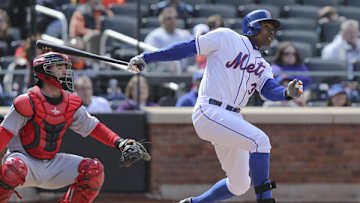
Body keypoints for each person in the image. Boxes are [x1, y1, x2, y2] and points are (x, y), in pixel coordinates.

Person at [128, 9, 303, 203]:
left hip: (231, 119)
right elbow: (187, 48)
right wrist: (147, 58)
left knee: (239, 185)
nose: (271, 32)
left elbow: (269, 90)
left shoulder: (263, 65)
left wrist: (287, 93)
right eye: (266, 26)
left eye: (273, 29)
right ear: (252, 27)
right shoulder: (226, 37)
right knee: (260, 141)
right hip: (210, 111)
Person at [0, 52, 144, 203]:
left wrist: (119, 142)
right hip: (24, 162)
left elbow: (93, 127)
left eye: (65, 67)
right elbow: (4, 133)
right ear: (44, 70)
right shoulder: (26, 101)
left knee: (93, 170)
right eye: (59, 67)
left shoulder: (70, 102)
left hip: (52, 163)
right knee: (13, 169)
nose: (64, 71)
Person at [144, 7, 193, 73]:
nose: (173, 21)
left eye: (175, 18)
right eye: (169, 18)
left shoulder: (185, 34)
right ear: (162, 21)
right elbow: (150, 58)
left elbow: (193, 56)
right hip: (161, 74)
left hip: (184, 72)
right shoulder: (154, 36)